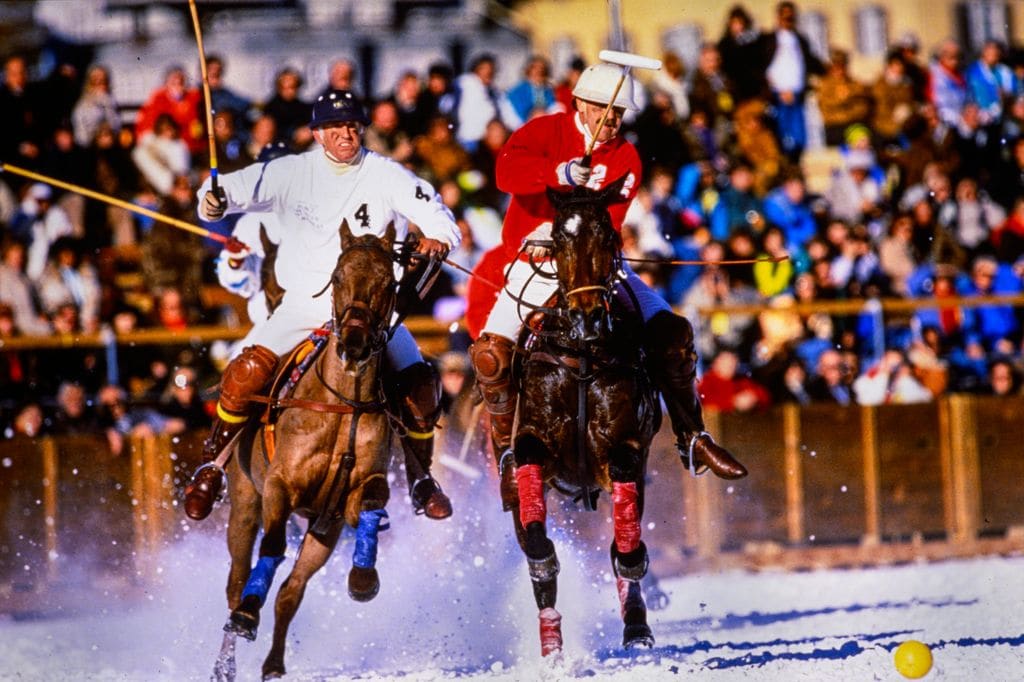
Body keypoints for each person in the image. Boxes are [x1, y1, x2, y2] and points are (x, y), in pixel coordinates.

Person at [465, 61, 748, 492]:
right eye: (602, 110)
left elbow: (610, 226)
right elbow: (506, 174)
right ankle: (506, 452)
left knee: (672, 332)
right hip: (534, 265)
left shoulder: (627, 157)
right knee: (490, 354)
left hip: (594, 267)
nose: (611, 120)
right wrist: (555, 174)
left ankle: (692, 437)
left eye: (618, 113)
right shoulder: (544, 131)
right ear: (580, 103)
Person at [183, 90, 462, 522]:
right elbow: (222, 191)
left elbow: (438, 214)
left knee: (421, 386)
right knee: (245, 374)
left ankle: (421, 477)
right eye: (334, 128)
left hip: (374, 316)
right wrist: (212, 201)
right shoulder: (290, 172)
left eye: (352, 126)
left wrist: (438, 236)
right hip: (303, 307)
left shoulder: (387, 175)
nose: (345, 134)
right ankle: (211, 466)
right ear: (317, 134)